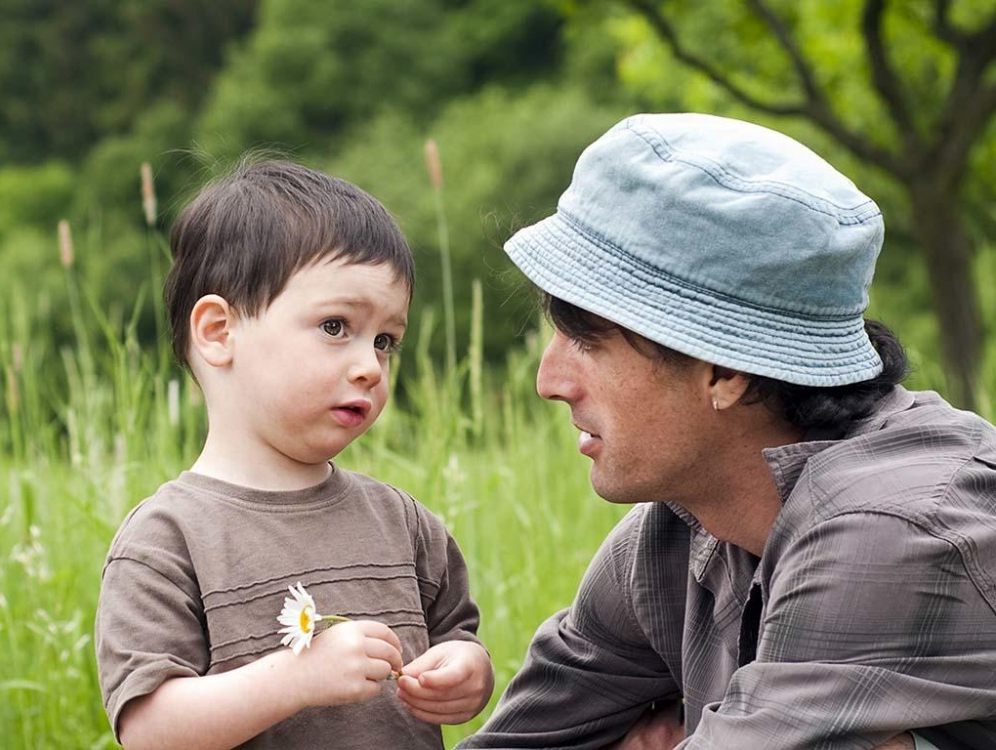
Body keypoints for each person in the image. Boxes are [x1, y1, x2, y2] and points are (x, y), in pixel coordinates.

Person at [458, 113, 996, 749]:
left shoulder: (893, 532)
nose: (549, 380)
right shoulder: (678, 532)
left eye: (585, 338)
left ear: (726, 371)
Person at [95, 159, 494, 750]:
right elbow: (151, 731)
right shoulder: (167, 540)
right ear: (218, 332)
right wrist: (296, 678)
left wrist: (466, 671)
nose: (369, 366)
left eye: (385, 341)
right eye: (336, 326)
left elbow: (456, 635)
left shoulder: (401, 522)